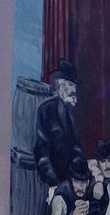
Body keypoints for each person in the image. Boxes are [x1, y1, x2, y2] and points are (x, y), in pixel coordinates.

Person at [34, 58, 85, 189]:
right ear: (61, 85)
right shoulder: (47, 110)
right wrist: (54, 183)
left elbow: (75, 147)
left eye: (74, 85)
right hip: (52, 183)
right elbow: (42, 150)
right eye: (71, 84)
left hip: (69, 183)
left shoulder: (68, 113)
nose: (74, 90)